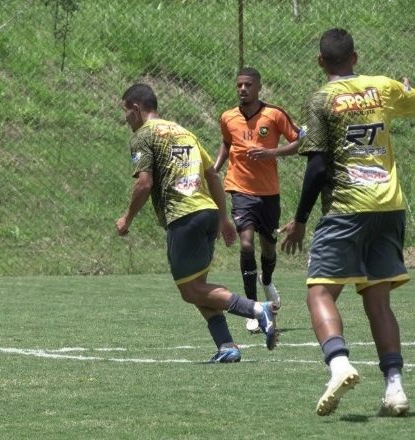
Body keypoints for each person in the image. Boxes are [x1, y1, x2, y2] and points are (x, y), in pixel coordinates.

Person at [280, 28, 415, 417]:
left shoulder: (322, 100)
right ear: (355, 57)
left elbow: (318, 164)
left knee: (319, 292)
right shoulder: (382, 87)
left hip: (346, 206)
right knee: (378, 299)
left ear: (321, 61)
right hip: (389, 206)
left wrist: (301, 219)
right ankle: (395, 389)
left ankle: (338, 364)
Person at [114, 83, 278, 363]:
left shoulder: (144, 135)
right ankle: (227, 346)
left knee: (190, 290)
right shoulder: (183, 132)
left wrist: (126, 218)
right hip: (206, 213)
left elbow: (144, 183)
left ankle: (256, 309)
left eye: (126, 112)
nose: (125, 118)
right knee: (199, 288)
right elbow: (212, 175)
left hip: (184, 215)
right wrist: (224, 218)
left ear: (136, 108)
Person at [213, 67, 302, 333]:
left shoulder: (274, 114)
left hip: (269, 193)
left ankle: (268, 281)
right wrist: (215, 169)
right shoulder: (228, 117)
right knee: (246, 243)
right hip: (240, 190)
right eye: (239, 85)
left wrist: (272, 152)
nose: (243, 89)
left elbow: (299, 141)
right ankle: (253, 307)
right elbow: (226, 143)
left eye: (248, 85)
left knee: (268, 248)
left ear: (258, 87)